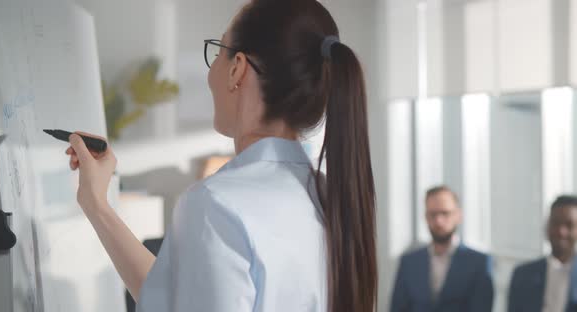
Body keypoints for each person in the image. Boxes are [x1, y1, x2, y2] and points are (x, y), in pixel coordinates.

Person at [64, 0, 377, 311]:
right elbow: (178, 298)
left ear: (237, 68)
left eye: (217, 52)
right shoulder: (331, 197)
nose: (211, 71)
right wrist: (97, 206)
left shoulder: (216, 204)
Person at [390, 186, 494, 312]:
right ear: (426, 217)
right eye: (432, 214)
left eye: (445, 213)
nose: (439, 221)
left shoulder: (479, 263)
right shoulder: (409, 262)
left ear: (458, 215)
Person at [508, 195, 577, 312]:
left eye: (569, 225)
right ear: (547, 226)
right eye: (555, 223)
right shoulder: (523, 275)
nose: (561, 231)